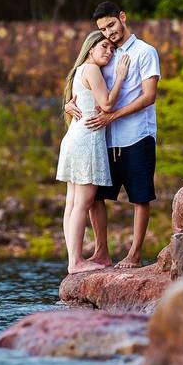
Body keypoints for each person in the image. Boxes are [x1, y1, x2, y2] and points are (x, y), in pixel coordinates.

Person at [65, 1, 160, 269]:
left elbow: (149, 96)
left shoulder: (145, 52)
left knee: (140, 197)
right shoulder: (103, 53)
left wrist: (112, 116)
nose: (109, 33)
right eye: (103, 29)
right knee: (95, 198)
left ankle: (134, 254)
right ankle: (102, 252)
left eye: (111, 25)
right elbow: (84, 85)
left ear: (123, 18)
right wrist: (69, 104)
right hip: (103, 139)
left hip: (136, 136)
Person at [56, 30, 130, 274]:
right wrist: (120, 77)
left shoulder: (79, 71)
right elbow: (107, 104)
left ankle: (72, 260)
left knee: (73, 202)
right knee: (84, 202)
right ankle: (76, 261)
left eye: (111, 49)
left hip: (76, 138)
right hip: (87, 139)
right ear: (90, 49)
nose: (109, 52)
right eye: (104, 48)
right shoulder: (91, 69)